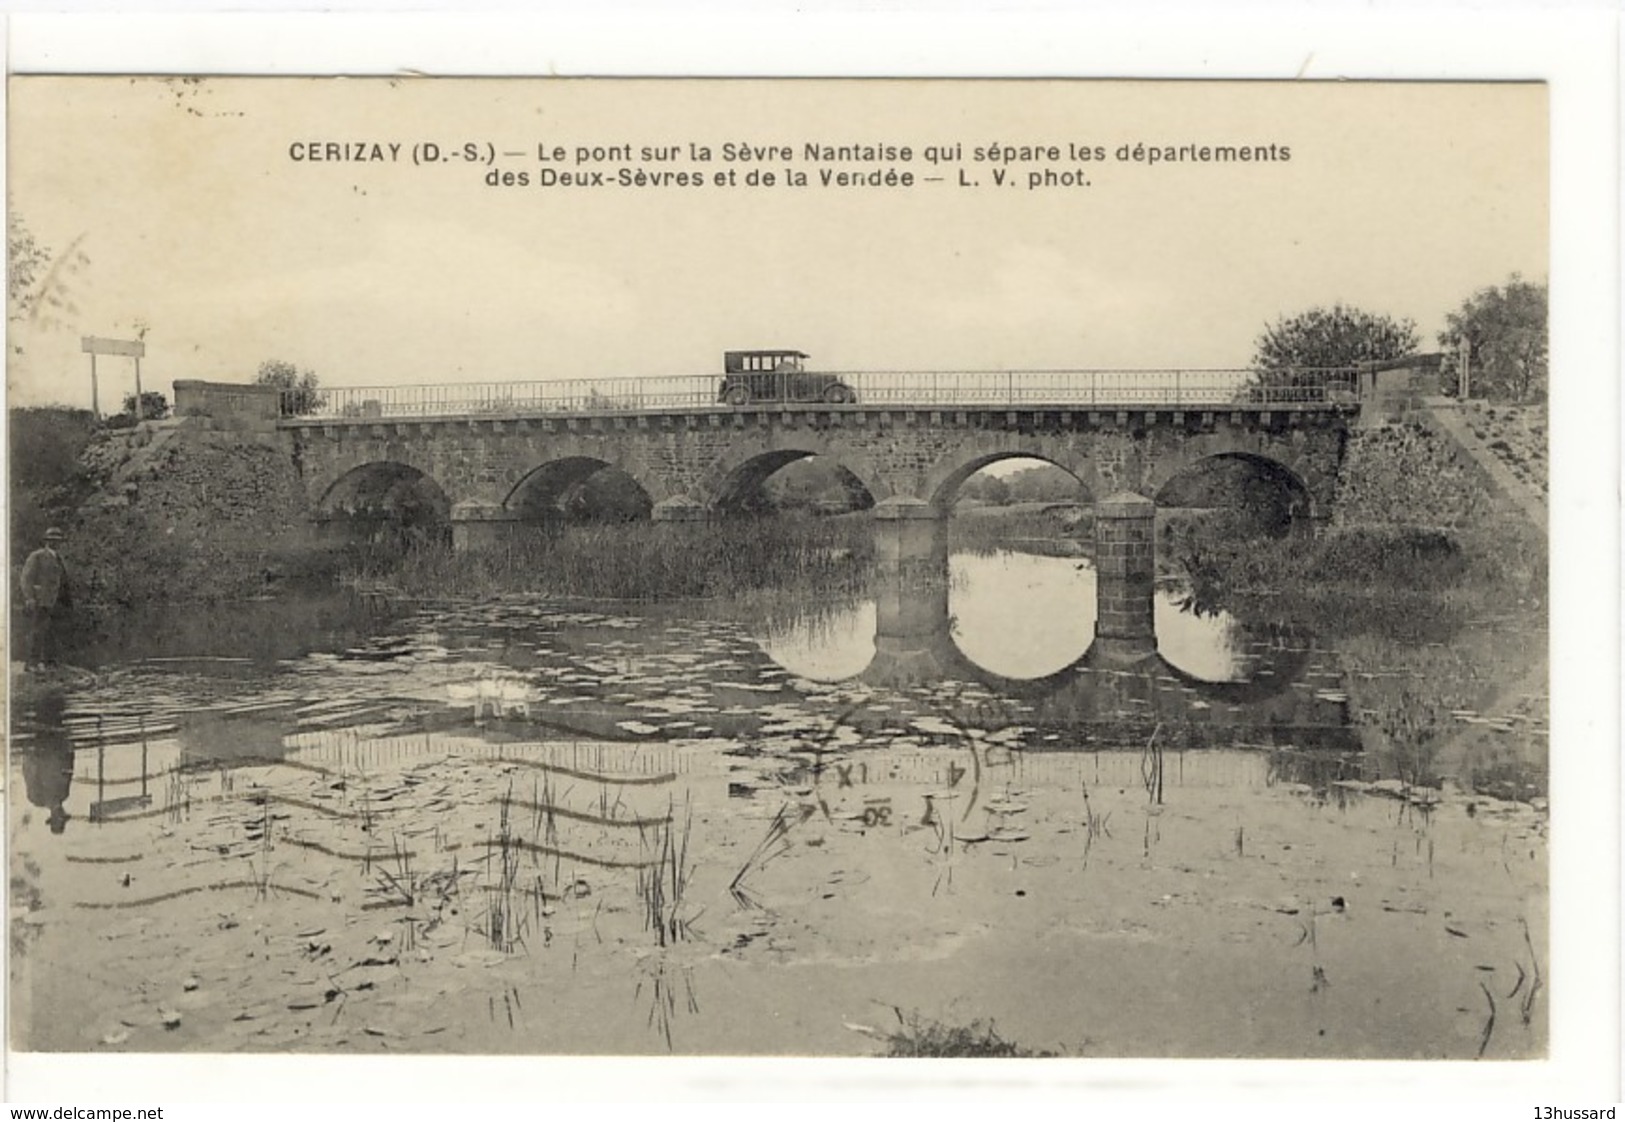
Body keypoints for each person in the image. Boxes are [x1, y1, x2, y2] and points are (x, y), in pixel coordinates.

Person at [20, 527, 71, 670]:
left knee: (52, 631)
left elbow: (63, 581)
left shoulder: (59, 558)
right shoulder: (37, 556)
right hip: (40, 599)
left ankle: (50, 661)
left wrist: (66, 600)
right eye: (52, 541)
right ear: (47, 541)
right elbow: (26, 578)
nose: (56, 543)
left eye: (58, 541)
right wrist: (30, 598)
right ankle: (31, 663)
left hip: (56, 601)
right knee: (37, 630)